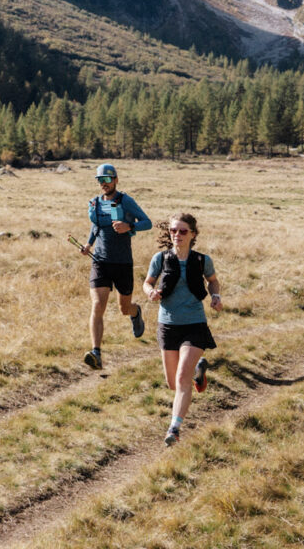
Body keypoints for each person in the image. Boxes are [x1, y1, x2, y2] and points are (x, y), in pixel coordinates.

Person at [142, 211, 222, 445]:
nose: (177, 234)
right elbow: (148, 282)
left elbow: (213, 280)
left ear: (193, 234)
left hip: (194, 324)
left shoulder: (202, 260)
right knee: (173, 384)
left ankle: (174, 429)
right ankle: (198, 369)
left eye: (183, 231)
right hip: (167, 324)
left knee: (181, 378)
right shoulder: (161, 259)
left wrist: (215, 296)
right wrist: (150, 293)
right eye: (174, 230)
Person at [78, 163, 152, 369]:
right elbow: (96, 226)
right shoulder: (95, 202)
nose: (104, 184)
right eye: (100, 180)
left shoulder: (125, 201)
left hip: (122, 262)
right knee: (98, 305)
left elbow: (147, 222)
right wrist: (88, 244)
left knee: (124, 308)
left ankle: (135, 313)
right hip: (100, 261)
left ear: (116, 180)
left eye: (107, 179)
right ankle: (96, 353)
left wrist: (130, 226)